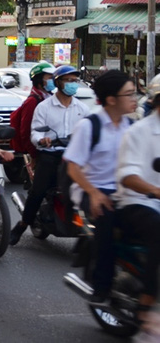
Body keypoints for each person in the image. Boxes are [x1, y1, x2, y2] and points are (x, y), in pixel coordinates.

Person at [63, 70, 135, 303]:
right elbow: (73, 167)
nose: (135, 99)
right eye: (129, 94)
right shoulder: (89, 126)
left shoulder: (132, 127)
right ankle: (102, 287)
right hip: (92, 189)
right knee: (108, 220)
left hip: (126, 190)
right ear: (112, 99)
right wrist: (93, 193)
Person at [9, 65, 90, 245]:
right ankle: (22, 225)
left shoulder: (82, 109)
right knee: (37, 192)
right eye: (68, 81)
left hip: (74, 158)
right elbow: (34, 133)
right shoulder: (44, 107)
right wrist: (42, 140)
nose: (72, 85)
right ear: (58, 82)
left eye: (75, 81)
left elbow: (90, 134)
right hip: (50, 156)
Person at [114, 73, 160, 326]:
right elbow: (128, 176)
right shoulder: (139, 131)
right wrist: (155, 191)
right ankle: (147, 300)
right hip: (136, 203)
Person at [9, 61, 55, 160]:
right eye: (50, 78)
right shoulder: (32, 102)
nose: (53, 80)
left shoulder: (50, 98)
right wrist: (34, 155)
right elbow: (26, 132)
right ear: (39, 80)